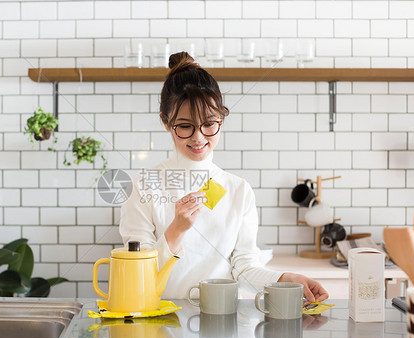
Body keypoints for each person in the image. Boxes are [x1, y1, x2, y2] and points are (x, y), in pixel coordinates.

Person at [119, 51, 328, 303]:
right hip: (160, 321)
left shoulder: (237, 189)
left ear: (222, 118)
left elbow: (244, 268)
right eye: (185, 126)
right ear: (166, 122)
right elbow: (136, 274)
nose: (198, 137)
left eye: (209, 124)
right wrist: (176, 230)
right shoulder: (144, 186)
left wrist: (284, 279)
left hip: (222, 324)